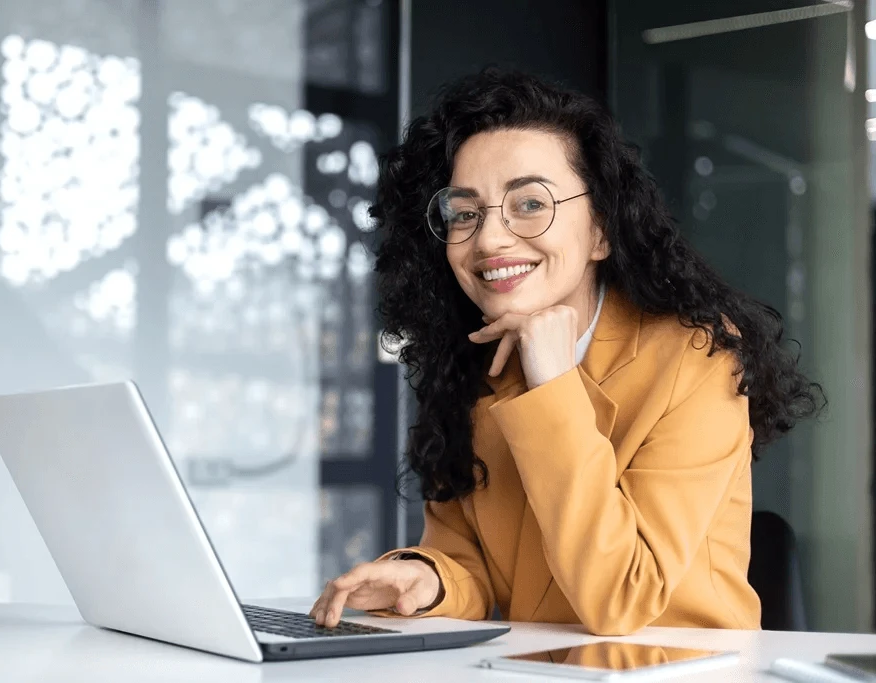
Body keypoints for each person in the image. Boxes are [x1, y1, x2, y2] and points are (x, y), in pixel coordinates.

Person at [309, 68, 823, 636]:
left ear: (601, 230)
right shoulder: (475, 367)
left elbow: (622, 597)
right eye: (464, 213)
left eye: (530, 204)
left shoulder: (696, 357)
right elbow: (472, 564)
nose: (489, 239)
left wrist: (553, 384)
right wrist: (424, 580)